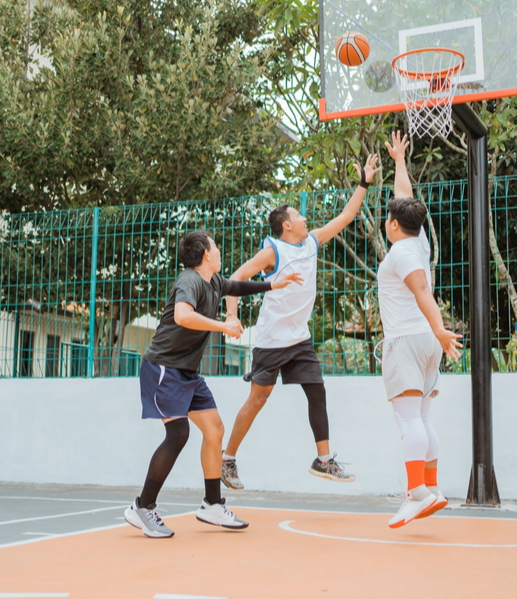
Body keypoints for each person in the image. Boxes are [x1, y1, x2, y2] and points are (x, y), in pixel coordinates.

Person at [124, 230, 302, 538]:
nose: (219, 252)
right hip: (164, 368)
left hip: (187, 372)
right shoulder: (189, 281)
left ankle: (212, 504)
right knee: (178, 434)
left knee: (215, 430)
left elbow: (239, 286)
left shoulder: (214, 281)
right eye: (216, 247)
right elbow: (182, 315)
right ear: (206, 253)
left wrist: (275, 284)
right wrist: (223, 326)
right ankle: (142, 506)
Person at [220, 154, 381, 490]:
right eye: (298, 216)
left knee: (317, 390)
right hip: (272, 340)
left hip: (299, 338)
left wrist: (363, 182)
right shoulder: (273, 252)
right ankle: (228, 458)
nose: (304, 218)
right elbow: (235, 278)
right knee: (257, 400)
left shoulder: (312, 241)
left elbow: (346, 216)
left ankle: (323, 460)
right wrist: (232, 315)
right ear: (286, 225)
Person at [378, 131, 463, 528]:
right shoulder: (419, 240)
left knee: (408, 419)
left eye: (388, 217)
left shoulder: (400, 253)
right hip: (425, 341)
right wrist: (399, 160)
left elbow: (422, 291)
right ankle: (430, 488)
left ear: (393, 224)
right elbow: (405, 197)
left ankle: (417, 493)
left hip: (407, 340)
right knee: (422, 417)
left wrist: (441, 328)